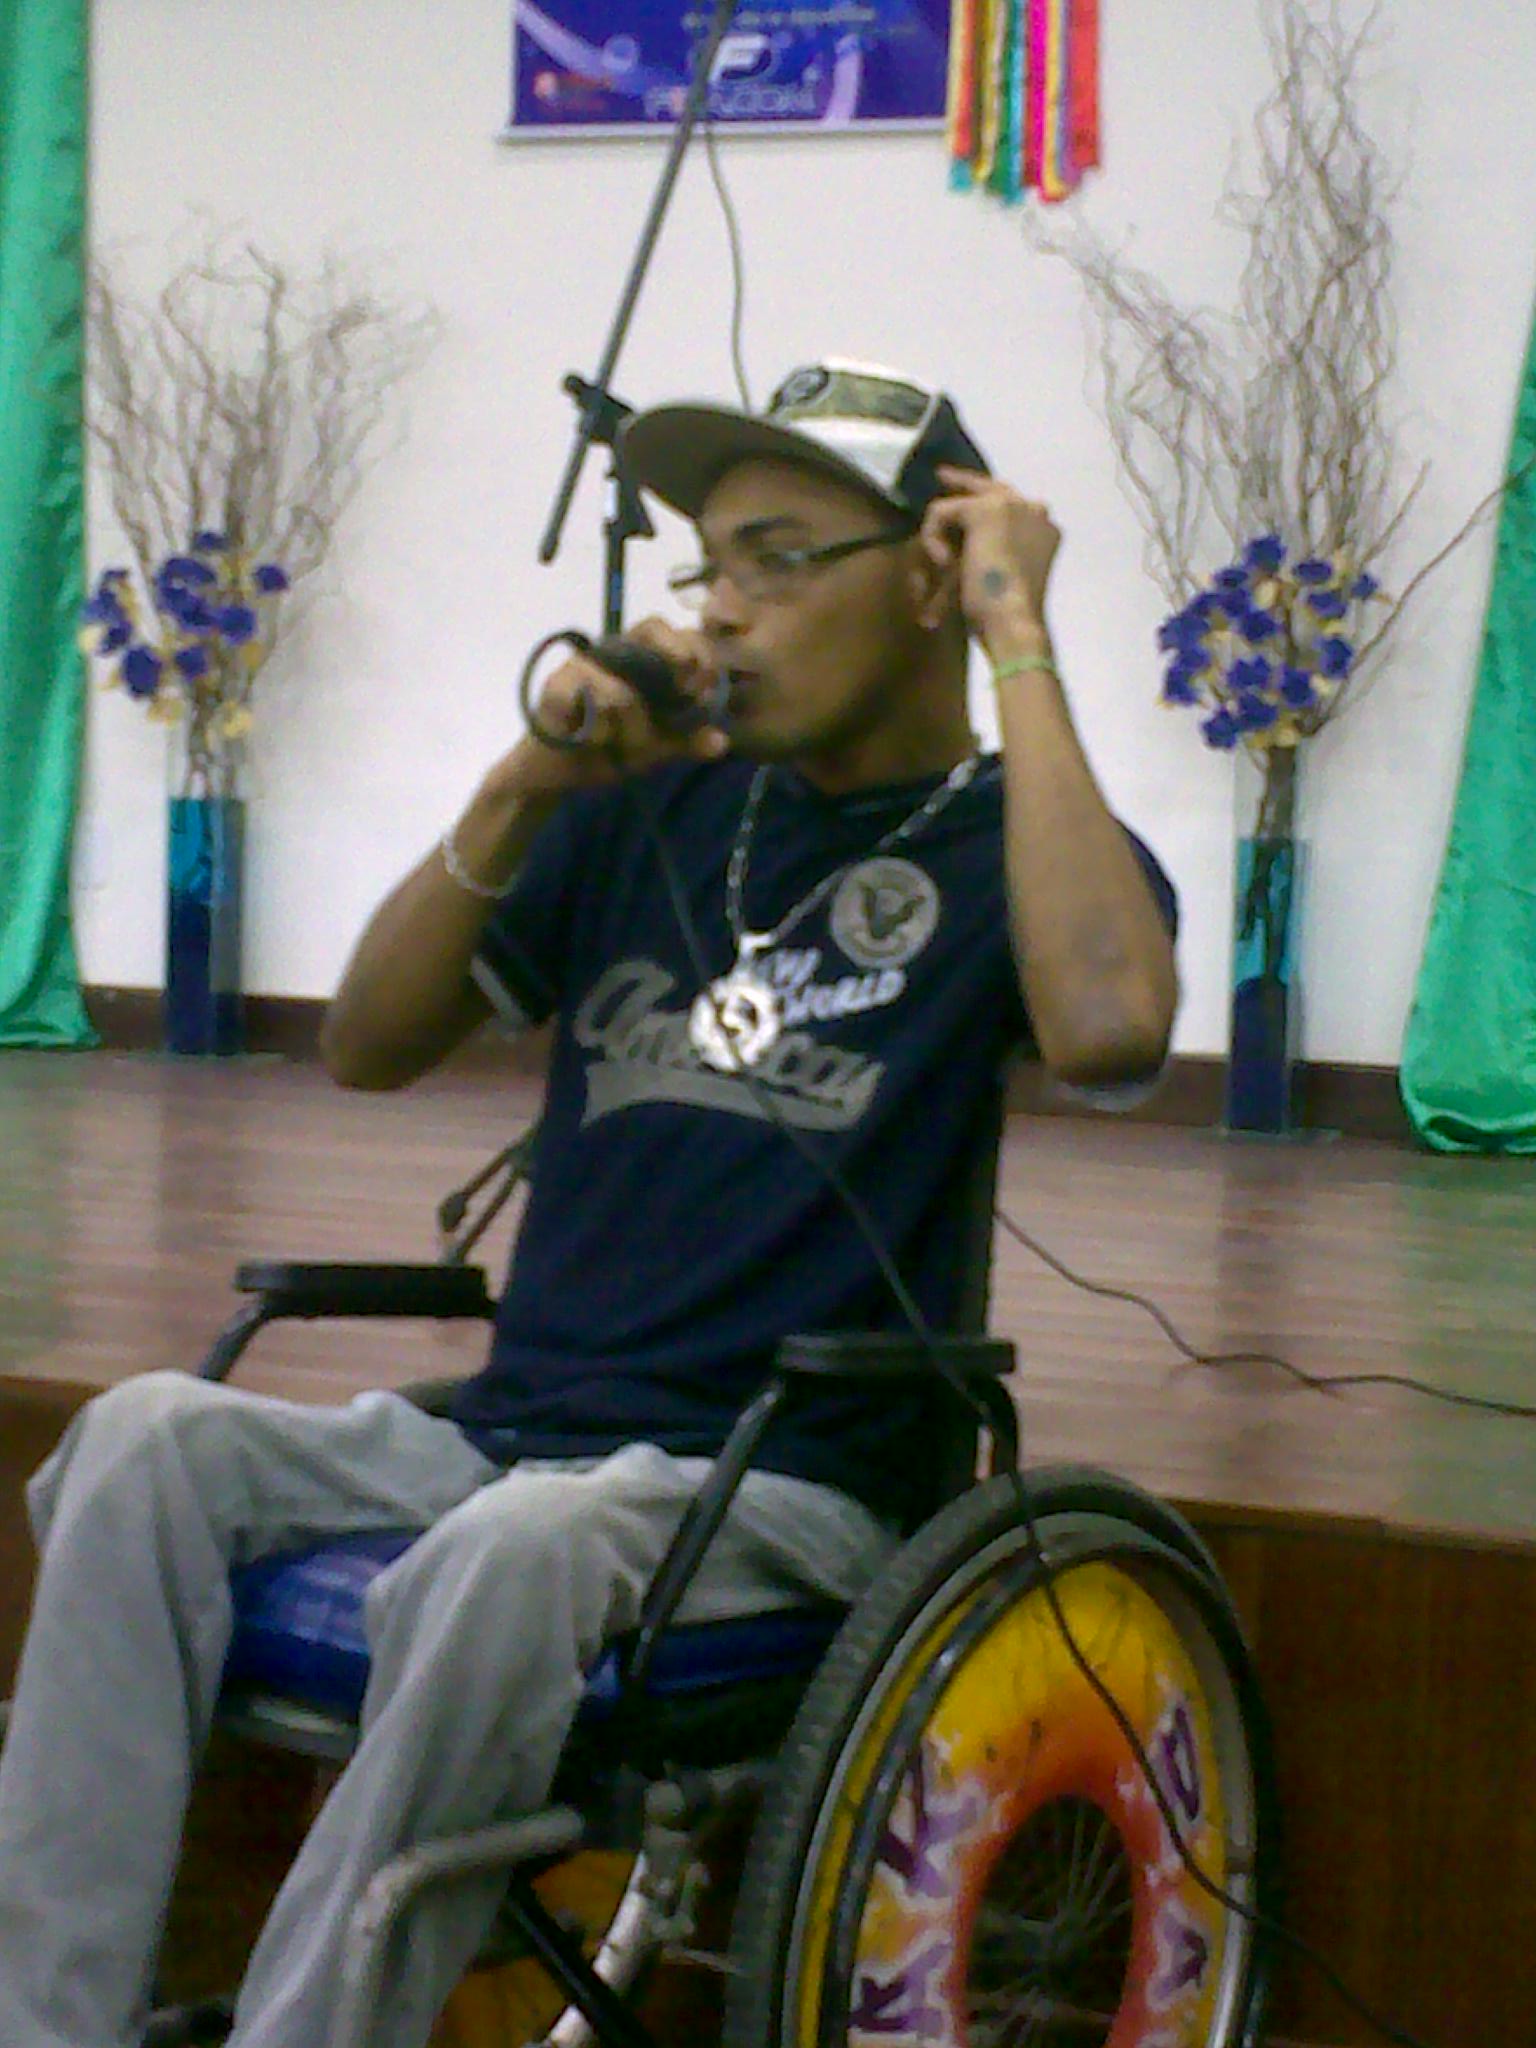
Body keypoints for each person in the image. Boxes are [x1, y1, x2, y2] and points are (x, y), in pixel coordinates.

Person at [0, 358, 1178, 2048]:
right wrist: (519, 786)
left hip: (781, 1489)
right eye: (712, 565)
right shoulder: (649, 811)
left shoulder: (1014, 839)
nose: (725, 608)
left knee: (523, 1544)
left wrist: (1022, 638)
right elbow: (366, 1046)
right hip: (511, 1443)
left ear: (932, 576)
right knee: (140, 1441)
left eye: (780, 559)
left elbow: (1115, 1026)